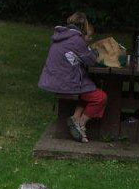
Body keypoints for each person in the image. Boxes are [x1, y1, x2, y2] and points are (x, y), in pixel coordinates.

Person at [38, 11, 107, 144]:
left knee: (89, 86)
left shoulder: (61, 36)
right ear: (83, 27)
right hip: (65, 82)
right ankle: (80, 123)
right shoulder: (76, 39)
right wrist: (95, 52)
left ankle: (76, 117)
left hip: (54, 79)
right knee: (100, 97)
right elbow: (91, 61)